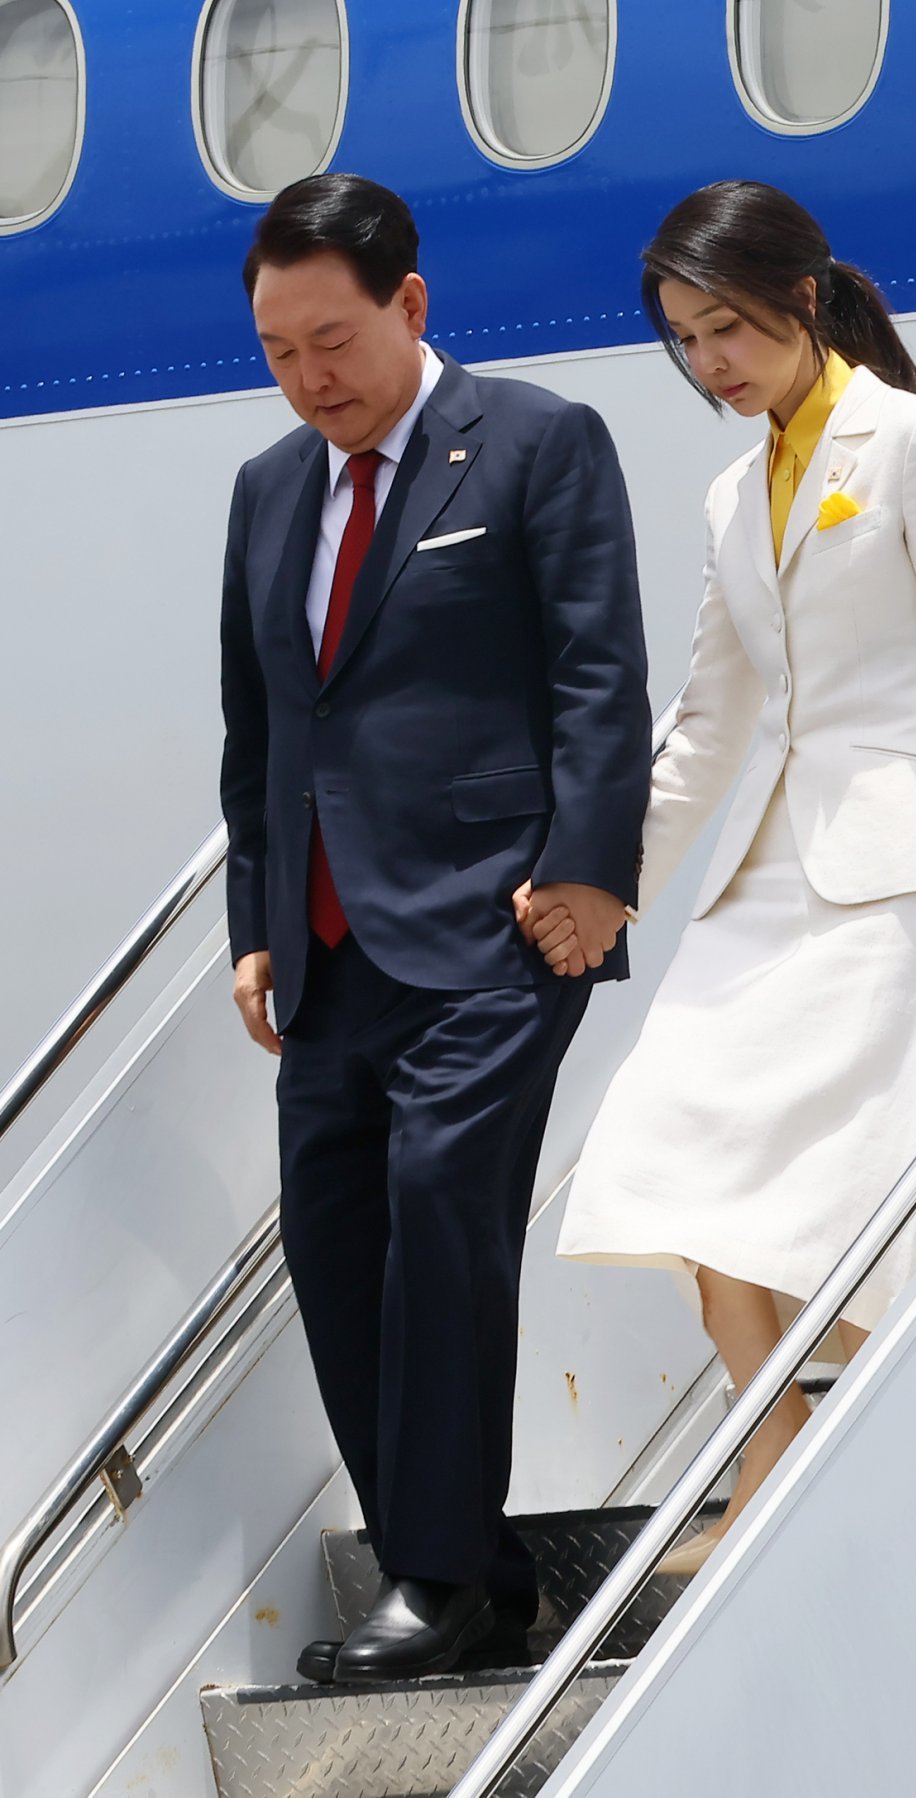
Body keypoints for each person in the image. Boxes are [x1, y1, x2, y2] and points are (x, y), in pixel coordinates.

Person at [526, 181, 916, 1576]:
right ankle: (787, 1441)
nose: (711, 364)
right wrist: (608, 879)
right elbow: (708, 717)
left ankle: (820, 1455)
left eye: (728, 330)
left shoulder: (913, 442)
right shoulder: (727, 485)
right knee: (673, 1140)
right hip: (770, 868)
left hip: (901, 872)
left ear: (801, 301)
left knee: (840, 1196)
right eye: (688, 340)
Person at [219, 173, 650, 1679]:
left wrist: (596, 866)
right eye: (278, 351)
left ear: (410, 303)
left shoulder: (537, 443)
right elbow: (262, 726)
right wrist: (256, 918)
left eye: (330, 339)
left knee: (440, 1216)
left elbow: (602, 675)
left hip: (500, 930)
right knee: (338, 1250)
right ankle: (468, 1569)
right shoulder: (269, 489)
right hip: (329, 957)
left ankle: (442, 1574)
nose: (308, 377)